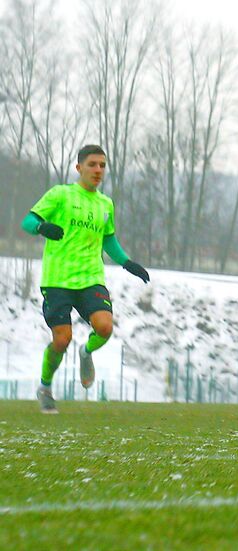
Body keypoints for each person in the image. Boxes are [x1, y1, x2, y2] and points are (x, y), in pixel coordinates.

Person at [20, 144, 150, 413]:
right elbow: (28, 222)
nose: (98, 170)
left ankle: (86, 352)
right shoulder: (61, 195)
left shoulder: (105, 204)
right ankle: (45, 387)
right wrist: (42, 226)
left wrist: (127, 262)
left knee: (104, 327)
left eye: (102, 165)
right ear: (79, 168)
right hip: (58, 279)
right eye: (92, 164)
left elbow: (109, 239)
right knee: (61, 340)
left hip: (91, 277)